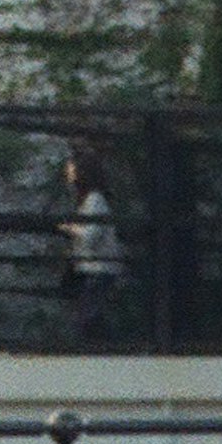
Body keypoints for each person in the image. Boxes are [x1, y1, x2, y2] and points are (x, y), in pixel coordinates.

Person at [63, 147, 128, 345]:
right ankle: (111, 346)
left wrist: (69, 228)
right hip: (96, 268)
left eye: (71, 168)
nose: (68, 171)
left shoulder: (94, 200)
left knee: (87, 315)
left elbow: (91, 235)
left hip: (99, 268)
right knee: (92, 313)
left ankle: (112, 347)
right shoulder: (89, 200)